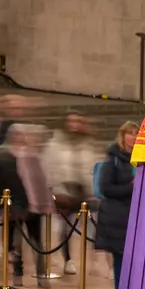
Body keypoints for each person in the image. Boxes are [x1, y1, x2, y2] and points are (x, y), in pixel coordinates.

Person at [0, 124, 52, 289]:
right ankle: (17, 273)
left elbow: (40, 180)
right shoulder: (3, 155)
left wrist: (43, 201)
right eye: (16, 134)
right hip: (13, 204)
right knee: (15, 243)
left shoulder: (32, 155)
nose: (20, 137)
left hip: (33, 204)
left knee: (36, 242)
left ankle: (41, 274)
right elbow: (0, 181)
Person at [44, 111, 100, 275]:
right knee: (66, 227)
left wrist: (92, 188)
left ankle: (93, 259)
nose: (74, 125)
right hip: (64, 189)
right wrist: (53, 188)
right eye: (71, 122)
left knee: (92, 226)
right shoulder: (56, 143)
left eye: (77, 121)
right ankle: (68, 259)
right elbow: (50, 166)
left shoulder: (88, 144)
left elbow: (92, 166)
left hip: (84, 189)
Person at [94, 120, 137, 289]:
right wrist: (132, 187)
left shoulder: (142, 158)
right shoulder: (113, 159)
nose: (133, 137)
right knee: (121, 260)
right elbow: (106, 189)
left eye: (136, 133)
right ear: (122, 135)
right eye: (130, 133)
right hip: (117, 218)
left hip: (135, 216)